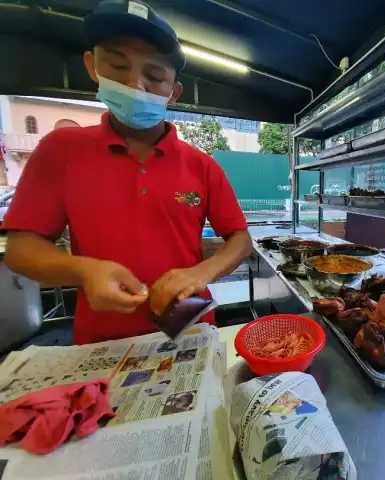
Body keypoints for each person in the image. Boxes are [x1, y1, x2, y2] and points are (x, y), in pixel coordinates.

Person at [2, 0, 251, 345]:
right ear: (92, 66)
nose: (135, 85)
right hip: (101, 340)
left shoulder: (201, 164)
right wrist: (84, 270)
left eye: (154, 76)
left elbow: (239, 239)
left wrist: (200, 272)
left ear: (173, 92)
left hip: (189, 329)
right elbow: (20, 249)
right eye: (118, 66)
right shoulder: (60, 149)